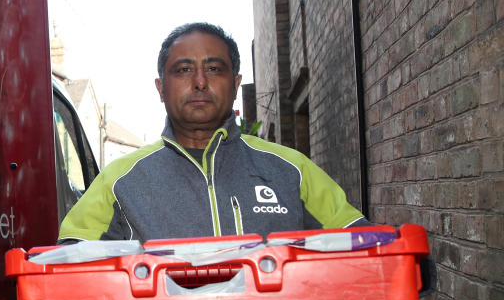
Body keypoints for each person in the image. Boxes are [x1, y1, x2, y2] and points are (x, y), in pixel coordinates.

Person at [58, 22, 368, 242]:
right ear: (161, 89)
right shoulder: (119, 182)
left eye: (215, 68)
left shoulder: (291, 169)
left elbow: (364, 242)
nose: (200, 82)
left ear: (235, 84)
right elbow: (65, 267)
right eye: (183, 70)